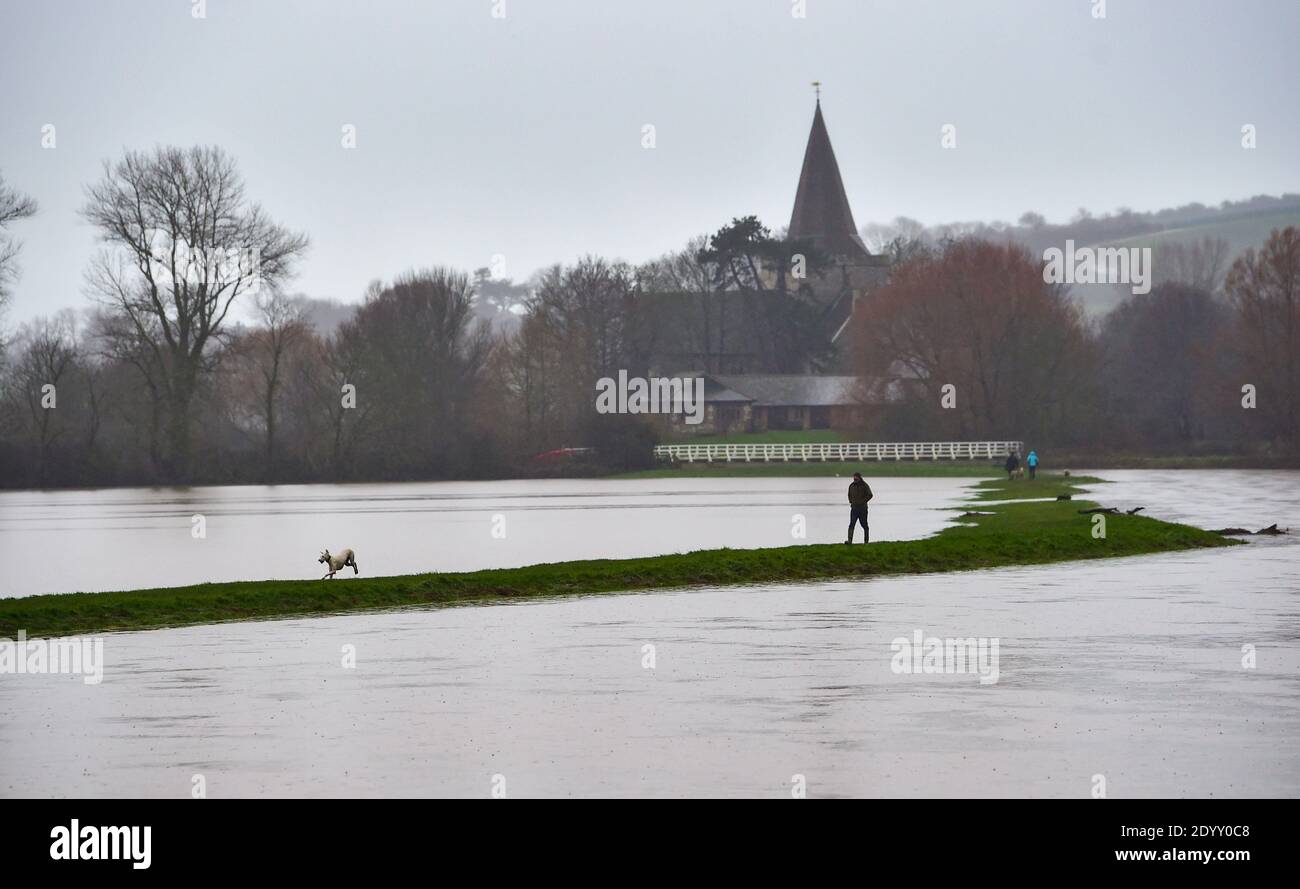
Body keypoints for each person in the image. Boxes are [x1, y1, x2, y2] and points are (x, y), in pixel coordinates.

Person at [846, 472, 873, 544]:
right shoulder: (851, 486)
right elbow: (849, 495)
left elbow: (870, 495)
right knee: (852, 524)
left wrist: (863, 502)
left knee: (864, 525)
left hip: (863, 509)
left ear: (859, 477)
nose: (854, 478)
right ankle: (849, 541)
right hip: (854, 509)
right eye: (854, 477)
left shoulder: (864, 485)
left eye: (856, 477)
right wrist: (851, 502)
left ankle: (866, 541)